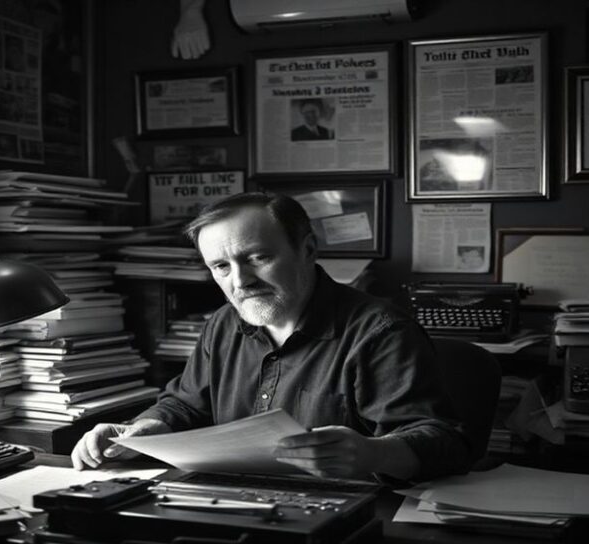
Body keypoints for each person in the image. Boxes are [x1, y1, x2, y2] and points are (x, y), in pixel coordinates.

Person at [72, 193, 473, 481]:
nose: (240, 281)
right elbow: (185, 405)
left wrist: (373, 452)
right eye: (221, 266)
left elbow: (444, 443)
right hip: (232, 503)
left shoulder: (381, 332)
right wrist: (142, 432)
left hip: (348, 510)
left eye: (257, 258)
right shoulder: (223, 324)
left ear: (307, 250)